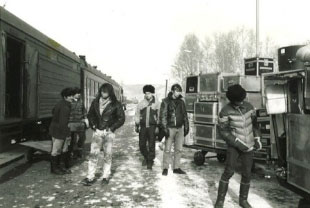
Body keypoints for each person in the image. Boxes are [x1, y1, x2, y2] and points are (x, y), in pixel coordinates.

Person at [214, 84, 262, 208]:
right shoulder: (225, 111)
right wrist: (239, 144)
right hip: (234, 146)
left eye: (242, 99)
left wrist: (257, 138)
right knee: (228, 172)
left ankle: (243, 200)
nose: (241, 102)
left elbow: (255, 125)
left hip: (249, 146)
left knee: (247, 173)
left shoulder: (250, 107)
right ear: (232, 100)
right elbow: (224, 132)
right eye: (238, 101)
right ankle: (220, 201)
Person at [82, 83, 125, 186]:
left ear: (110, 92)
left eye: (105, 91)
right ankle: (90, 176)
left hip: (109, 133)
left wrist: (111, 128)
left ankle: (105, 176)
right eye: (101, 91)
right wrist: (93, 126)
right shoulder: (95, 102)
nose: (103, 93)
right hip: (97, 132)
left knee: (107, 155)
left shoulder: (116, 104)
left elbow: (121, 119)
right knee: (93, 155)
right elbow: (90, 115)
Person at [159, 84, 189, 176]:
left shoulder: (181, 102)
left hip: (179, 128)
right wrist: (165, 129)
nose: (179, 92)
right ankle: (165, 168)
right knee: (167, 149)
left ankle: (176, 168)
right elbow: (163, 117)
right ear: (172, 91)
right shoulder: (165, 102)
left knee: (178, 149)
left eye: (180, 91)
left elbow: (184, 115)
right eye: (177, 91)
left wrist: (186, 126)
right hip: (170, 128)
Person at [49, 87, 75, 175]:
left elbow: (53, 112)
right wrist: (67, 135)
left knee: (60, 149)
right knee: (57, 150)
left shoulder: (61, 104)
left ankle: (59, 167)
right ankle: (55, 169)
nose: (73, 97)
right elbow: (63, 122)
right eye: (70, 96)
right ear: (65, 97)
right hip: (59, 131)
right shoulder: (65, 107)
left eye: (73, 95)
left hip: (56, 129)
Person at [135, 85, 160, 170]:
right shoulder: (141, 103)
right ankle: (146, 157)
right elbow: (137, 115)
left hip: (152, 127)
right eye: (146, 93)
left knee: (151, 145)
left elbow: (159, 116)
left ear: (152, 93)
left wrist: (158, 127)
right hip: (143, 127)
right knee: (141, 145)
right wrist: (136, 125)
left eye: (149, 93)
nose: (147, 95)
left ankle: (150, 161)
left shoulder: (157, 103)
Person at [67, 87, 88, 160]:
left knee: (82, 138)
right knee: (73, 139)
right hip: (71, 123)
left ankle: (79, 151)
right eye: (77, 93)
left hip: (80, 123)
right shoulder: (69, 101)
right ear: (73, 94)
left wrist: (85, 119)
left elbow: (84, 111)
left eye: (79, 93)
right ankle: (74, 154)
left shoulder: (81, 101)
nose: (79, 94)